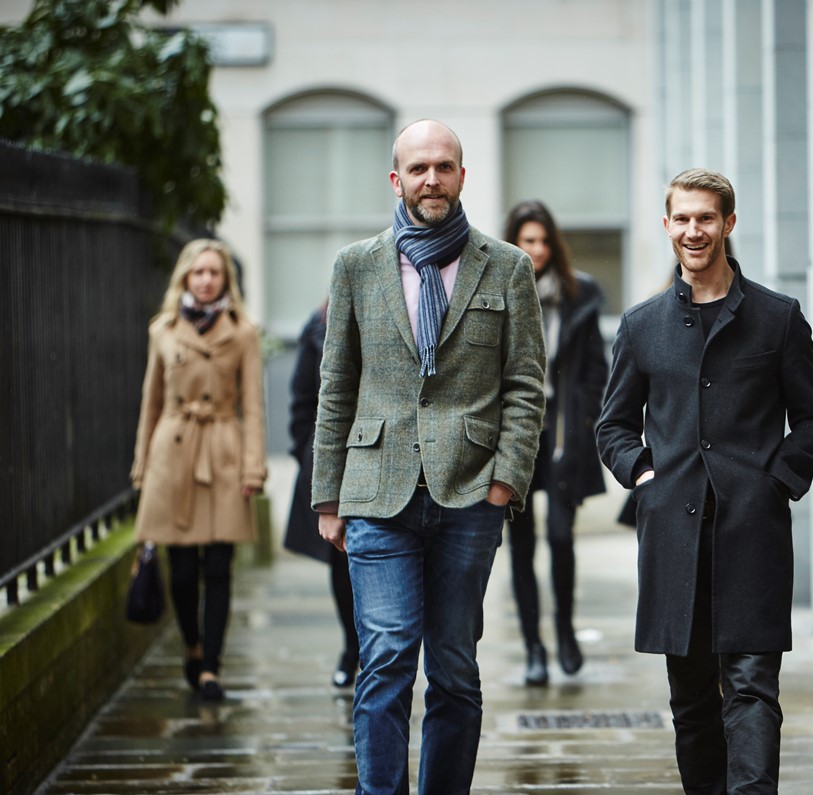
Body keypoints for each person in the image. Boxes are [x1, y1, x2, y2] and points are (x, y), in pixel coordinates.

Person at [312, 119, 546, 794]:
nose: (432, 179)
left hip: (469, 494)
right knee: (384, 658)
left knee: (452, 666)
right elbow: (338, 383)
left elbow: (526, 384)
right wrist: (327, 493)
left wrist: (505, 481)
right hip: (375, 491)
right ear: (397, 180)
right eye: (418, 168)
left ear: (462, 176)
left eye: (444, 166)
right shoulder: (356, 266)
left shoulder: (506, 267)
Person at [596, 169, 813, 793]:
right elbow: (613, 426)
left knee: (753, 691)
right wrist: (644, 475)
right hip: (674, 537)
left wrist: (775, 481)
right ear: (667, 226)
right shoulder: (641, 325)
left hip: (752, 533)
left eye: (706, 218)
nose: (694, 230)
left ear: (728, 224)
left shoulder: (777, 318)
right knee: (694, 703)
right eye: (683, 218)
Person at [130, 238, 267, 702]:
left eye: (215, 273)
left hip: (224, 453)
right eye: (198, 272)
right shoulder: (162, 331)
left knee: (221, 567)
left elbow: (253, 406)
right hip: (174, 453)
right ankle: (192, 645)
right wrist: (141, 468)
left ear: (226, 280)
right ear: (185, 278)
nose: (207, 280)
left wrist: (254, 468)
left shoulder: (244, 332)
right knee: (183, 572)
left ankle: (210, 666)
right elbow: (150, 403)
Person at [501, 200, 607, 686]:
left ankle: (564, 630)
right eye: (528, 241)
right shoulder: (497, 289)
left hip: (564, 436)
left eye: (544, 241)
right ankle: (533, 649)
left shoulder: (580, 293)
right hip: (517, 437)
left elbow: (594, 371)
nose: (537, 250)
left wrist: (589, 424)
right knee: (521, 547)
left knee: (562, 538)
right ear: (514, 243)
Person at [282, 301, 359, 688]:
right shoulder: (318, 324)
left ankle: (382, 652)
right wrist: (307, 453)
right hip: (332, 459)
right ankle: (352, 648)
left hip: (384, 456)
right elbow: (302, 400)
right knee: (342, 561)